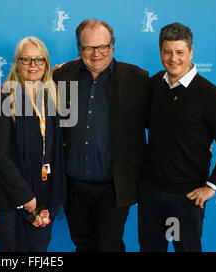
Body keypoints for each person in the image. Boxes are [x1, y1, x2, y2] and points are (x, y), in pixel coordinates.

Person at [138, 22, 216, 252]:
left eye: (180, 52)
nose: (173, 58)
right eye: (167, 52)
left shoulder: (208, 93)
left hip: (186, 198)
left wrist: (212, 186)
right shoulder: (153, 85)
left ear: (191, 53)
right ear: (160, 53)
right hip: (151, 194)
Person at [52, 19, 150, 252]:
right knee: (83, 246)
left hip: (113, 187)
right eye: (88, 47)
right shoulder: (63, 75)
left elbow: (161, 122)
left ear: (112, 46)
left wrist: (197, 139)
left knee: (109, 247)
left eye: (103, 46)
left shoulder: (137, 78)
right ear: (79, 49)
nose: (96, 54)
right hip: (73, 186)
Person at [0, 36, 66, 252]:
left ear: (46, 64)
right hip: (11, 196)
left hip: (44, 191)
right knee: (13, 249)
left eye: (39, 60)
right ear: (17, 63)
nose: (33, 66)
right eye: (26, 60)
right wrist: (26, 196)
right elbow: (0, 155)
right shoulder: (3, 97)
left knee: (39, 248)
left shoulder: (53, 95)